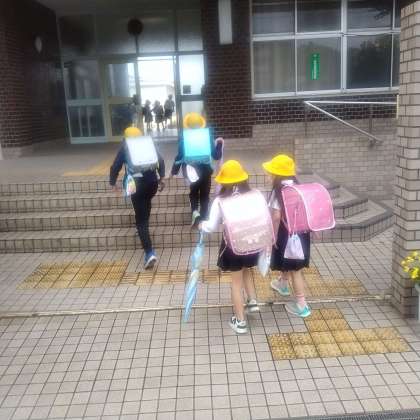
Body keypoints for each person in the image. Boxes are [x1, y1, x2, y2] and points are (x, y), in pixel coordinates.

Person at [199, 160, 259, 334]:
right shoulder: (253, 195)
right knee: (247, 270)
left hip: (234, 246)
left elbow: (211, 226)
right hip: (251, 242)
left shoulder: (221, 201)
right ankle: (252, 301)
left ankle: (240, 322)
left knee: (236, 283)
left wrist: (202, 225)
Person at [110, 126, 165, 270]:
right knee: (146, 203)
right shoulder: (148, 144)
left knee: (140, 220)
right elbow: (161, 160)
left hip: (136, 185)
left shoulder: (125, 147)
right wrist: (162, 177)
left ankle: (149, 253)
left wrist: (113, 182)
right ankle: (143, 226)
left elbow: (115, 166)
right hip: (152, 183)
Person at [262, 154, 311, 318]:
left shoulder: (279, 191)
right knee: (290, 262)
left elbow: (276, 217)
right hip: (301, 233)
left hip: (287, 234)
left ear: (277, 174)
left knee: (295, 269)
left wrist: (273, 237)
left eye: (270, 172)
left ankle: (302, 305)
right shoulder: (298, 187)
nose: (268, 175)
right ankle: (282, 284)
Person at [170, 112, 223, 227]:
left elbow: (179, 157)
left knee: (193, 192)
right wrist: (219, 145)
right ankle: (203, 218)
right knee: (204, 194)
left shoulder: (184, 139)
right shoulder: (207, 137)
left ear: (188, 125)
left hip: (191, 171)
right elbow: (216, 156)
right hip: (205, 171)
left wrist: (174, 172)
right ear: (201, 124)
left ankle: (195, 213)